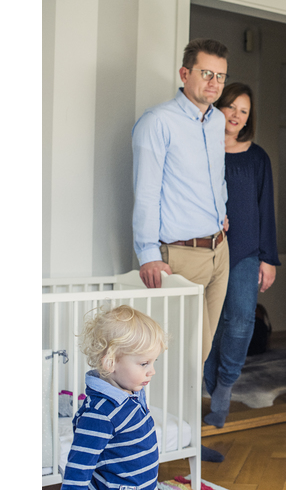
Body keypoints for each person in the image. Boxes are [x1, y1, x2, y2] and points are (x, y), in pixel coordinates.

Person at [132, 37, 230, 462]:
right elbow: (145, 192)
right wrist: (146, 252)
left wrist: (222, 212)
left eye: (220, 76)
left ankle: (185, 436)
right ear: (185, 74)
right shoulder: (158, 122)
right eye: (206, 73)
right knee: (163, 352)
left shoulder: (216, 121)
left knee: (201, 350)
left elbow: (216, 177)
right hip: (177, 255)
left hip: (218, 251)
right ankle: (148, 442)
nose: (213, 82)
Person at [202, 83, 281, 428]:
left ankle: (224, 388)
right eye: (230, 106)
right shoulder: (200, 147)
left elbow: (266, 209)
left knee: (240, 322)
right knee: (207, 325)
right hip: (204, 249)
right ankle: (207, 384)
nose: (235, 114)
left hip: (246, 252)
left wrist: (268, 259)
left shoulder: (257, 157)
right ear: (217, 106)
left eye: (243, 110)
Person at [61, 305, 167, 490]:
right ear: (110, 363)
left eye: (152, 362)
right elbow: (78, 469)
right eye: (144, 363)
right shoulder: (100, 414)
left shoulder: (132, 393)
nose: (152, 371)